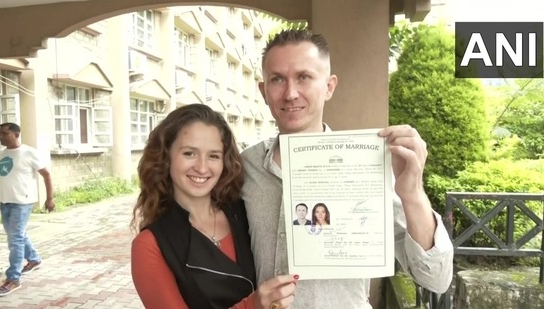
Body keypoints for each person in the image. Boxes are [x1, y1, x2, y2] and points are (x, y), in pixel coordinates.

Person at [241, 29, 454, 308]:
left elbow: (436, 277)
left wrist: (412, 193)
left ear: (329, 87)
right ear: (263, 91)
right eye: (278, 79)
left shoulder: (367, 165)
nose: (290, 93)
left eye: (304, 77)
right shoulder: (245, 166)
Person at [130, 104, 298, 309]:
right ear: (166, 157)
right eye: (189, 153)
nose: (202, 167)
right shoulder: (151, 245)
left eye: (213, 156)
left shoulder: (242, 211)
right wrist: (252, 306)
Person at [0, 122, 55, 297]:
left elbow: (46, 174)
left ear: (16, 134)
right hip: (5, 202)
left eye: (4, 133)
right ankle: (34, 259)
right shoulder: (2, 154)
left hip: (22, 202)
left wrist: (49, 198)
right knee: (18, 235)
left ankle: (13, 278)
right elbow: (1, 177)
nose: (0, 136)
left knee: (15, 240)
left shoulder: (29, 153)